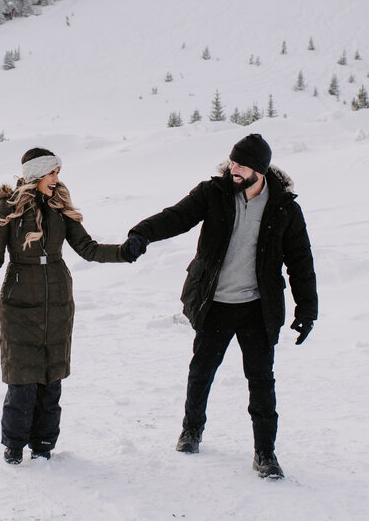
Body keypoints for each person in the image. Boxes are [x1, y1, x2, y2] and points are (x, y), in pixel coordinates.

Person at [120, 133, 317, 479]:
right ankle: (192, 429)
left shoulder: (284, 207)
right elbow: (176, 216)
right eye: (232, 161)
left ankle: (265, 453)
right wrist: (141, 234)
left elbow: (300, 261)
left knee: (261, 380)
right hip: (215, 302)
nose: (233, 168)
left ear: (260, 169)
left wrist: (307, 310)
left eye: (241, 165)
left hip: (257, 307)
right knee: (202, 371)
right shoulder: (214, 193)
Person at [0, 148, 135, 464]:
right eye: (52, 173)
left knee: (51, 380)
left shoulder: (59, 209)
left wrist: (125, 252)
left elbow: (88, 249)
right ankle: (14, 446)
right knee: (22, 380)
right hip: (18, 301)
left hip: (57, 301)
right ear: (36, 175)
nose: (57, 180)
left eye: (58, 173)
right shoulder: (8, 208)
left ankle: (43, 445)